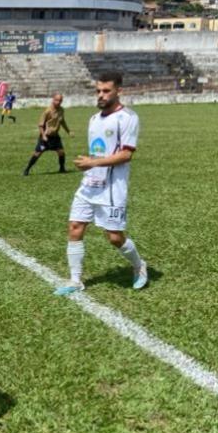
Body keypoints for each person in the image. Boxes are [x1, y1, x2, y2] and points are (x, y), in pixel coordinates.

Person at [54, 72, 148, 296]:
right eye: (98, 91)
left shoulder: (128, 118)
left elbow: (126, 155)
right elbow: (99, 151)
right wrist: (90, 164)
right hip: (89, 184)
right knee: (75, 228)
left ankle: (139, 265)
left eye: (106, 91)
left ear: (118, 91)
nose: (101, 95)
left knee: (114, 237)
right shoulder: (94, 119)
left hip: (112, 188)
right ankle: (76, 280)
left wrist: (93, 162)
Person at [23, 92, 71, 176]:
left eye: (60, 100)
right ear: (53, 100)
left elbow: (62, 121)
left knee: (61, 152)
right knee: (37, 153)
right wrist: (44, 136)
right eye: (57, 100)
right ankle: (27, 169)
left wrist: (68, 131)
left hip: (55, 136)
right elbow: (41, 125)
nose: (58, 102)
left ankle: (62, 168)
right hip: (46, 137)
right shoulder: (47, 111)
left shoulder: (61, 110)